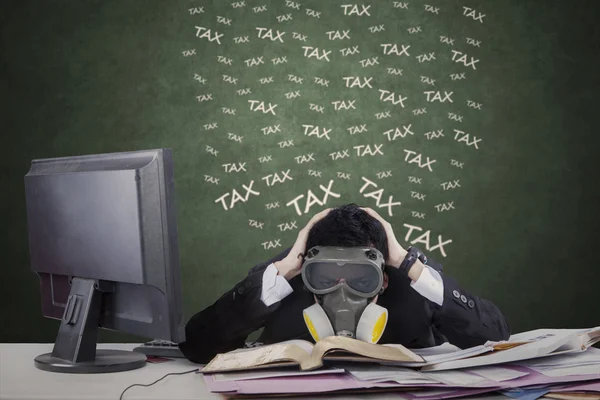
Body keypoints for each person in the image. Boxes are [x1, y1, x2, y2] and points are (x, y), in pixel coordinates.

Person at [179, 203, 510, 364]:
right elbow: (197, 343)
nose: (342, 291)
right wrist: (284, 268)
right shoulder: (285, 276)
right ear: (306, 268)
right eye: (323, 276)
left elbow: (494, 336)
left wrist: (407, 263)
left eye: (360, 278)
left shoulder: (410, 277)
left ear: (383, 278)